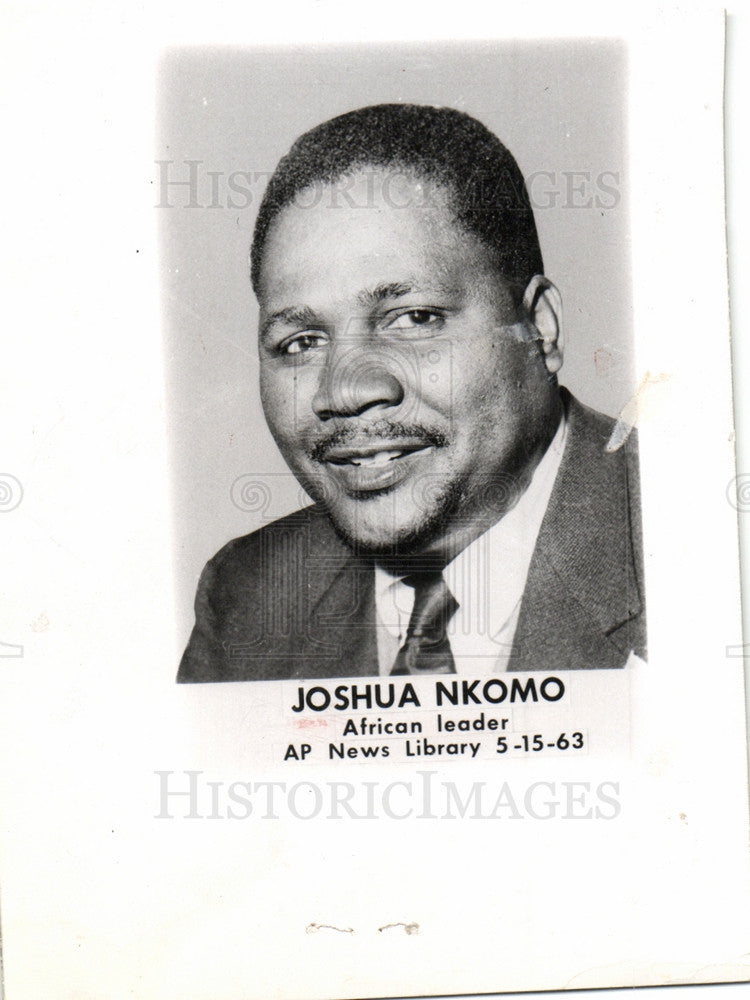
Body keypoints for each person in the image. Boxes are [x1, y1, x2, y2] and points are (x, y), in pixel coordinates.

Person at [178, 103, 646, 683]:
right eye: (301, 342)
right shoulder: (247, 595)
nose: (346, 391)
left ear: (539, 329)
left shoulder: (699, 542)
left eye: (414, 318)